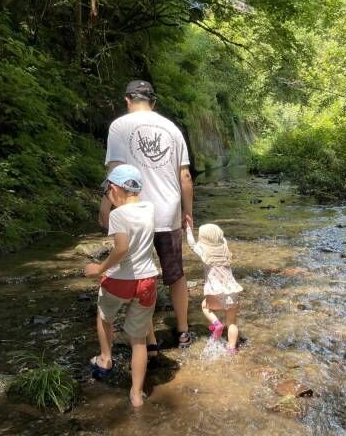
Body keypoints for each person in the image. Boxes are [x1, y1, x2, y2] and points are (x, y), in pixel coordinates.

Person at [100, 79, 194, 348]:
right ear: (154, 102)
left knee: (140, 274)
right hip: (168, 212)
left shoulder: (119, 126)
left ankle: (148, 339)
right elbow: (185, 176)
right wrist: (188, 213)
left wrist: (105, 205)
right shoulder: (172, 128)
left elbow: (115, 172)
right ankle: (183, 331)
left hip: (133, 214)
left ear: (128, 100)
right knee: (175, 274)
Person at [85, 164, 157, 408]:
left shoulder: (118, 216)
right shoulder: (149, 209)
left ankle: (105, 358)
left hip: (119, 281)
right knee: (138, 340)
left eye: (107, 192)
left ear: (114, 189)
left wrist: (100, 268)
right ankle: (136, 394)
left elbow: (122, 248)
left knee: (104, 316)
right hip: (147, 281)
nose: (108, 197)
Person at [185, 221, 242, 353]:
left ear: (203, 239)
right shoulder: (225, 249)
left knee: (205, 306)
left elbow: (192, 244)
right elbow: (223, 240)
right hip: (233, 293)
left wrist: (188, 229)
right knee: (232, 322)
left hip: (215, 293)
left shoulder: (204, 252)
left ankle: (216, 324)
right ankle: (232, 348)